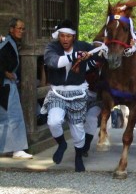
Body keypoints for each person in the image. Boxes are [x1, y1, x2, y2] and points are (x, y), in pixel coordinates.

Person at [41, 19, 101, 172]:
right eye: (62, 36)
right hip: (57, 92)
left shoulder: (83, 46)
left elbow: (99, 57)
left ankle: (78, 156)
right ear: (58, 36)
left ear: (73, 37)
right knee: (54, 121)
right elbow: (53, 62)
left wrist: (90, 60)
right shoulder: (51, 47)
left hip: (78, 92)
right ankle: (61, 143)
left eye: (68, 36)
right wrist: (73, 56)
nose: (65, 39)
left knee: (77, 130)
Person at [0, 18, 33, 159]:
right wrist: (4, 72)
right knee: (12, 116)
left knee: (8, 117)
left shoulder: (11, 43)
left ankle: (8, 148)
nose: (21, 31)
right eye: (19, 28)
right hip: (5, 85)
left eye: (23, 28)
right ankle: (16, 149)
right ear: (11, 29)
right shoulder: (5, 44)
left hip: (8, 84)